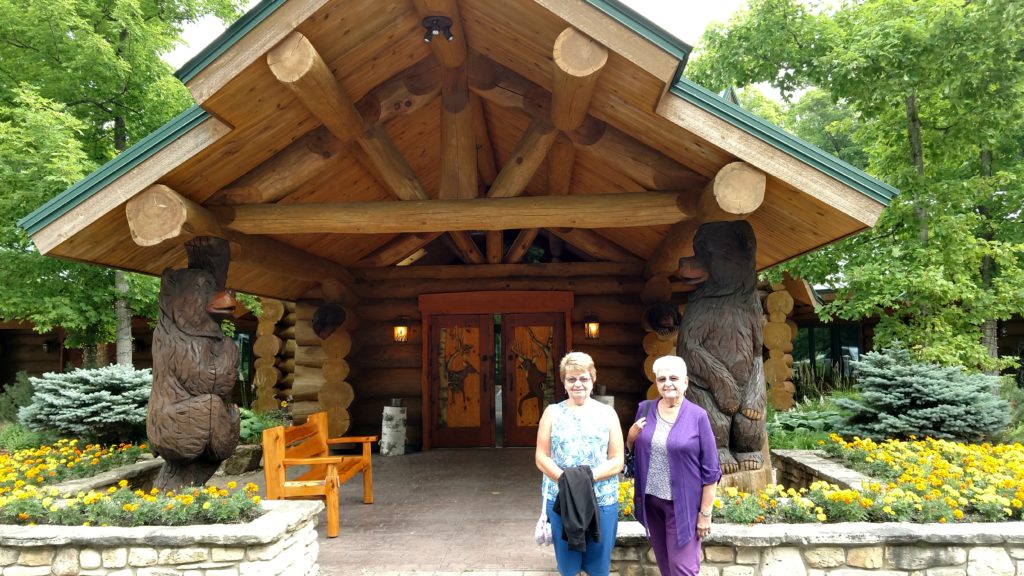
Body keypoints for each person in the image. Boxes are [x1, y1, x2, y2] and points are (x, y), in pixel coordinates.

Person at [626, 355, 720, 576]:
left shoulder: (698, 416)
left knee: (682, 569)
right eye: (662, 379)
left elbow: (711, 470)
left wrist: (705, 514)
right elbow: (633, 452)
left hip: (683, 506)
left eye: (674, 378)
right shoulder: (645, 409)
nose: (667, 383)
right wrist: (630, 438)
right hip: (652, 502)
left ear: (685, 382)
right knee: (666, 566)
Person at [536, 351, 624, 576]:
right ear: (563, 382)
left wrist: (584, 480)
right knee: (568, 566)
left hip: (601, 500)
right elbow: (542, 457)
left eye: (583, 378)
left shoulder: (607, 414)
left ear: (593, 380)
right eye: (571, 379)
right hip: (562, 500)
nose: (578, 384)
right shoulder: (552, 413)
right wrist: (568, 482)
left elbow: (617, 460)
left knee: (598, 565)